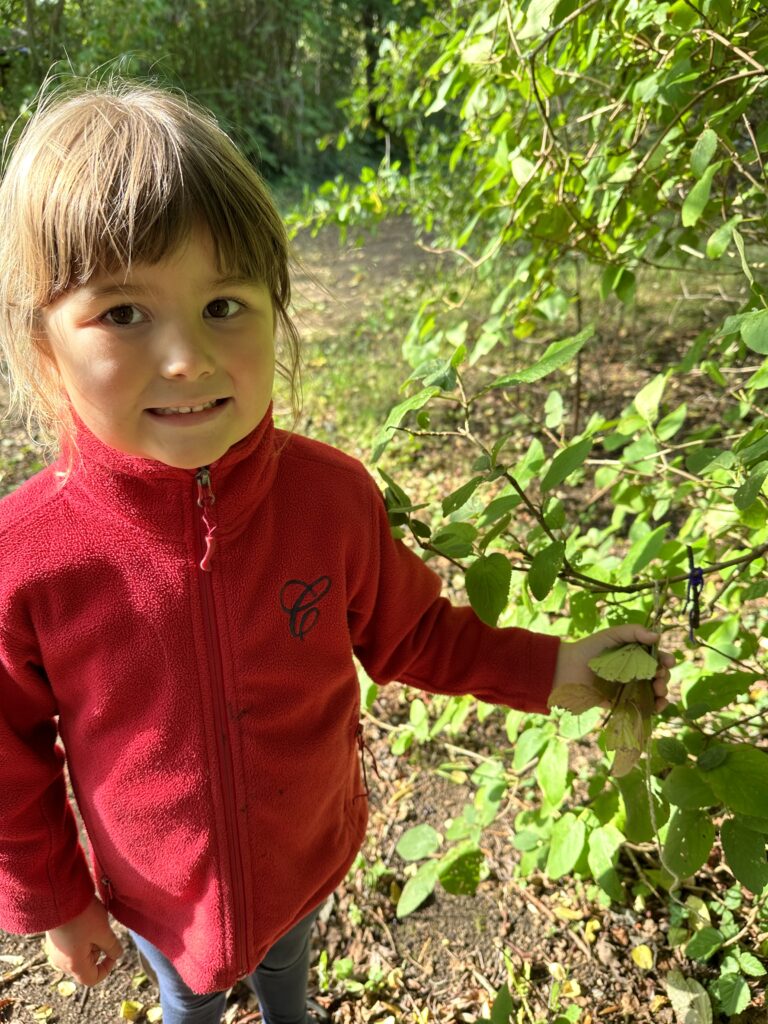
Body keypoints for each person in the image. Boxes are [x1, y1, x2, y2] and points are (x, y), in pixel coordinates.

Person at [0, 79, 672, 1024]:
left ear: (276, 310)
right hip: (154, 896)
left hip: (304, 852)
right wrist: (55, 901)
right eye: (122, 314)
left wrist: (562, 669)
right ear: (43, 347)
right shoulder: (27, 557)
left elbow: (422, 637)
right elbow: (10, 758)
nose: (187, 355)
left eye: (225, 303)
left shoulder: (331, 499)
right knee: (190, 1000)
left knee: (287, 974)